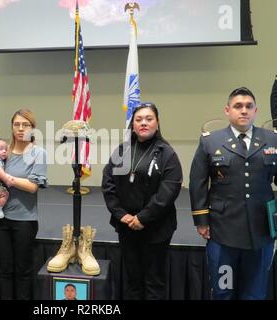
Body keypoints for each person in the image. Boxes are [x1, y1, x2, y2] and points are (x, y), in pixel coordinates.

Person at [189, 87, 276, 300]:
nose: (243, 111)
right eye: (238, 106)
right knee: (222, 292)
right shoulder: (211, 141)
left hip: (261, 231)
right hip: (222, 232)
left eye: (249, 106)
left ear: (256, 111)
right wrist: (201, 220)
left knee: (255, 294)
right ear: (227, 110)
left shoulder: (272, 140)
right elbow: (198, 182)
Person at [102, 103, 183, 300]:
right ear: (133, 124)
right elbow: (108, 184)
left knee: (154, 281)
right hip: (126, 227)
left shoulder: (167, 154)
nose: (143, 123)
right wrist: (122, 215)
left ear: (157, 123)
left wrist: (142, 218)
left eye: (149, 119)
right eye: (138, 120)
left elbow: (168, 192)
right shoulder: (122, 150)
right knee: (132, 280)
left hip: (156, 229)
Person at [0, 108, 47, 300]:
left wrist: (6, 178)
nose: (20, 129)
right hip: (0, 220)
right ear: (12, 127)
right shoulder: (3, 154)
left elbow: (32, 187)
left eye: (25, 125)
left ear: (33, 128)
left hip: (25, 221)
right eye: (16, 124)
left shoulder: (39, 153)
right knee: (4, 270)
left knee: (23, 271)